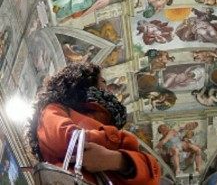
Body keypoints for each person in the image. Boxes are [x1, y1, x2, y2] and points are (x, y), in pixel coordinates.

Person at [26, 63, 161, 184]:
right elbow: (69, 140)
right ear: (85, 82)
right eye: (103, 81)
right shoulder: (53, 109)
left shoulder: (110, 124)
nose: (108, 89)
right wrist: (119, 141)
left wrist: (115, 160)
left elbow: (151, 175)